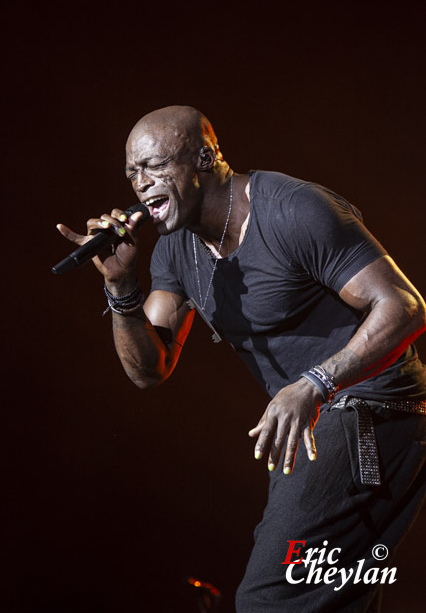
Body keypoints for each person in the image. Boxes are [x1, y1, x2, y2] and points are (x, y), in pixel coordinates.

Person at [57, 105, 426, 612]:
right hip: (315, 422)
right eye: (131, 174)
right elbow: (149, 370)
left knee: (268, 599)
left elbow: (404, 307)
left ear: (205, 158)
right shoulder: (175, 250)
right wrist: (121, 287)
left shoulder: (292, 209)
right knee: (330, 602)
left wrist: (314, 382)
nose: (141, 185)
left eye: (155, 166)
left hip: (374, 411)